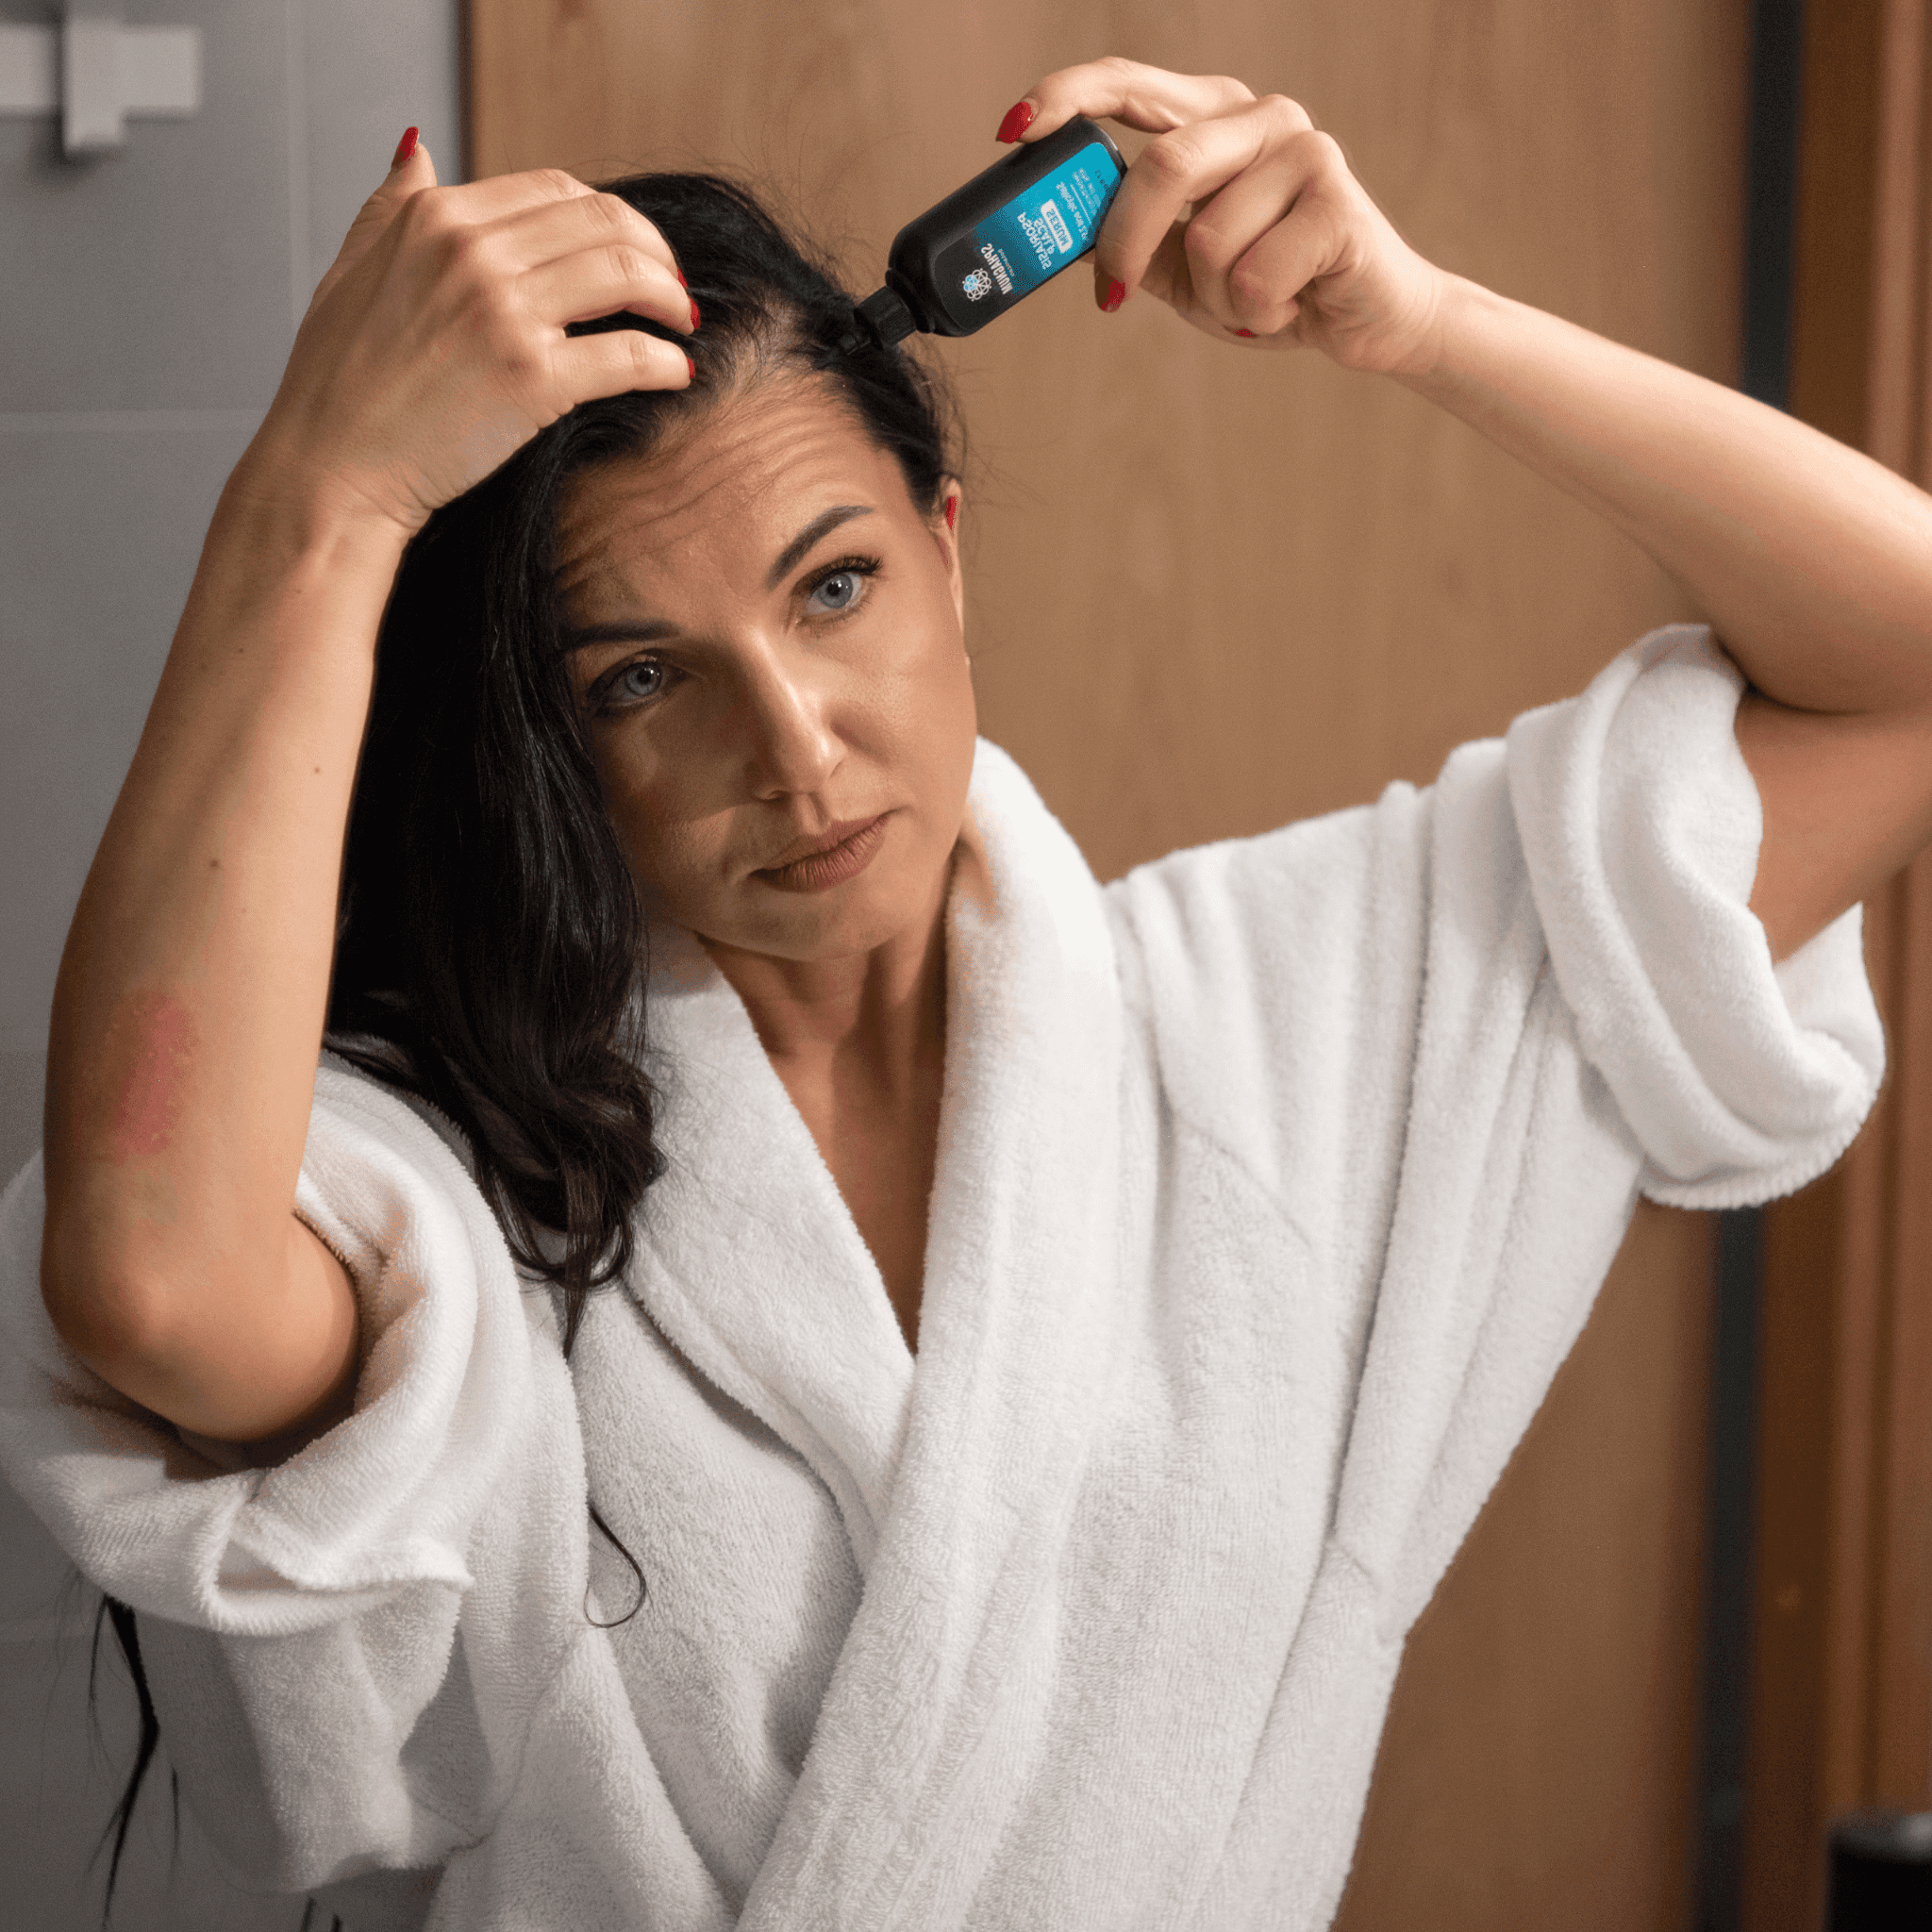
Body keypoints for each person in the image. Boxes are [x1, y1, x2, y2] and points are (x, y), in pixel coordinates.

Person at [0, 53, 1919, 1932]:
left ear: (945, 553)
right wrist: (321, 500)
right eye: (641, 681)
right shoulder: (468, 1166)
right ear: (554, 747)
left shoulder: (1296, 1024)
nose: (797, 747)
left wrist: (1411, 321)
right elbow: (155, 1272)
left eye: (831, 588)